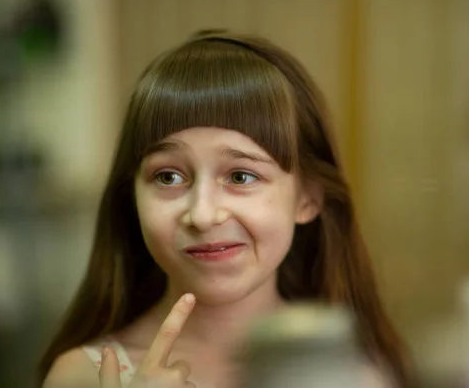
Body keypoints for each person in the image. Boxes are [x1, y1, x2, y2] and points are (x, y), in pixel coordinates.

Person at [39, 31, 410, 388]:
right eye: (168, 177)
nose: (202, 215)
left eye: (241, 176)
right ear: (131, 196)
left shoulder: (356, 377)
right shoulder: (82, 377)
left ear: (307, 198)